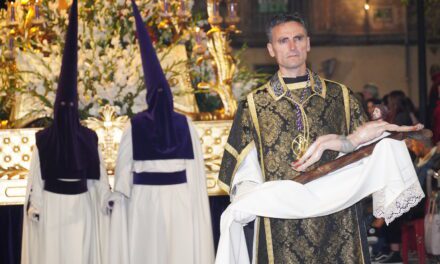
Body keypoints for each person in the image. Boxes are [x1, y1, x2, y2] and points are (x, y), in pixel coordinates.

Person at [217, 13, 423, 264]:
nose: (292, 46)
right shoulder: (254, 105)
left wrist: (380, 134)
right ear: (271, 49)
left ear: (308, 43)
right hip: (281, 220)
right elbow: (243, 169)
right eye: (283, 41)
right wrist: (253, 198)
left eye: (298, 38)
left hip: (339, 217)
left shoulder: (341, 97)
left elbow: (365, 152)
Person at [107, 1, 215, 263]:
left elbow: (123, 177)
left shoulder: (134, 126)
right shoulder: (185, 124)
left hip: (144, 204)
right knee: (177, 251)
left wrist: (118, 199)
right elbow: (196, 173)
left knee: (148, 252)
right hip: (180, 202)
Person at [21, 1, 111, 263]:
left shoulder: (88, 138)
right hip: (51, 207)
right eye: (64, 107)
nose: (67, 110)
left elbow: (100, 175)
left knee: (80, 254)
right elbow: (36, 176)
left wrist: (106, 197)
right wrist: (35, 204)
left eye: (70, 107)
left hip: (81, 206)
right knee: (53, 254)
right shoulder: (45, 140)